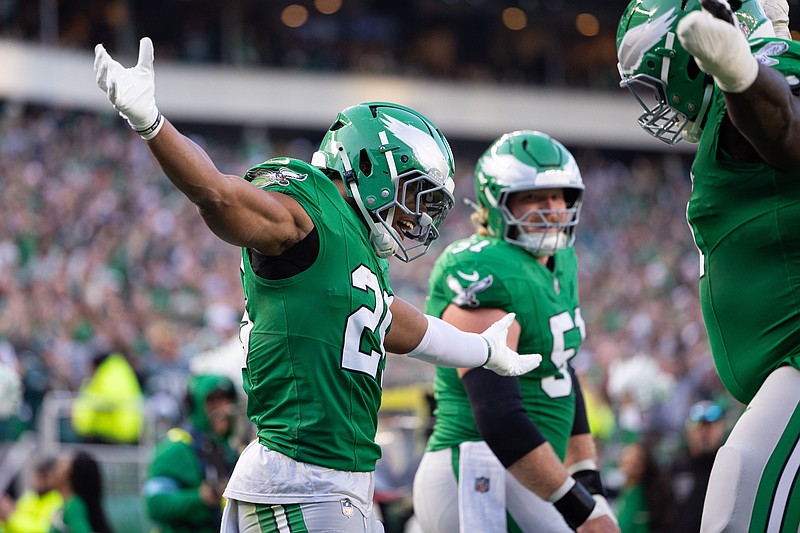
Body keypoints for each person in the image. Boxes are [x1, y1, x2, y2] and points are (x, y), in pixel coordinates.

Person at [93, 38, 542, 533]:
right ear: (369, 167)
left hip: (328, 483)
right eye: (414, 193)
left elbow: (398, 323)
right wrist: (152, 124)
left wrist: (479, 349)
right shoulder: (306, 209)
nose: (417, 215)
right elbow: (220, 198)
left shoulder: (356, 247)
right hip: (300, 480)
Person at [616, 0, 800, 530]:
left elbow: (786, 130)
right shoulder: (738, 108)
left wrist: (743, 74)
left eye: (659, 78)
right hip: (784, 366)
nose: (663, 101)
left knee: (740, 491)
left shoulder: (754, 87)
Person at [412, 131, 617, 532]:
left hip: (527, 473)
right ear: (495, 203)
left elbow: (561, 372)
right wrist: (580, 509)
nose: (552, 208)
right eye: (533, 198)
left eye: (560, 196)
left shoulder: (559, 263)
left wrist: (589, 481)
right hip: (478, 466)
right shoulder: (485, 266)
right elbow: (499, 415)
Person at [143, 374, 239, 533]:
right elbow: (155, 504)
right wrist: (200, 498)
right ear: (195, 406)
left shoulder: (231, 450)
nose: (223, 410)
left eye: (226, 401)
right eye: (213, 402)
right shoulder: (176, 448)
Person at [668, 401, 727, 533]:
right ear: (689, 431)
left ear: (720, 429)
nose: (705, 433)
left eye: (710, 427)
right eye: (700, 427)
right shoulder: (677, 468)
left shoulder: (728, 467)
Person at [71, 351, 143, 445]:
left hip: (115, 432)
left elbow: (111, 400)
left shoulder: (112, 375)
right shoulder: (116, 371)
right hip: (117, 431)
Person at [614, 441, 671, 533]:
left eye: (637, 459)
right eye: (628, 454)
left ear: (644, 466)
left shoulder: (640, 496)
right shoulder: (627, 490)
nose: (631, 461)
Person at [50, 450, 113, 533]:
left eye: (58, 467)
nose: (52, 472)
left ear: (67, 476)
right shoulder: (67, 503)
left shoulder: (74, 506)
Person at [0, 457, 63, 533]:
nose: (39, 480)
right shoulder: (29, 497)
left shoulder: (58, 501)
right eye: (38, 475)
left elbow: (44, 529)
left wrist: (10, 517)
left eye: (44, 476)